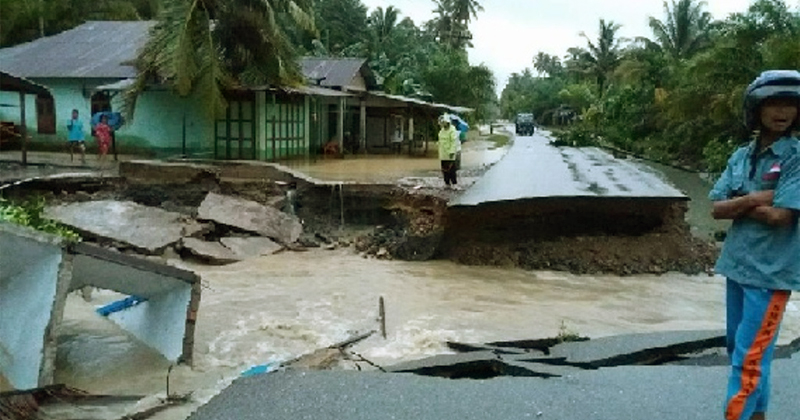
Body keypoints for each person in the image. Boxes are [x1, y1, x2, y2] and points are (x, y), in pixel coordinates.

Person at [709, 70, 800, 420]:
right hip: (738, 265)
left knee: (748, 360)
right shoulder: (741, 156)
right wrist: (756, 198)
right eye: (774, 103)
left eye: (790, 104)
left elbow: (781, 217)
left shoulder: (795, 157)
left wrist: (739, 201)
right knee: (744, 351)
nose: (783, 112)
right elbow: (716, 208)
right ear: (756, 108)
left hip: (770, 274)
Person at [438, 114, 459, 188]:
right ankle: (447, 183)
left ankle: (454, 183)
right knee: (444, 170)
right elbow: (440, 142)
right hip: (443, 154)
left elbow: (454, 142)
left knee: (451, 170)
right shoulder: (441, 131)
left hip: (450, 154)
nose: (442, 124)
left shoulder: (452, 130)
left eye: (443, 123)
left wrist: (452, 151)